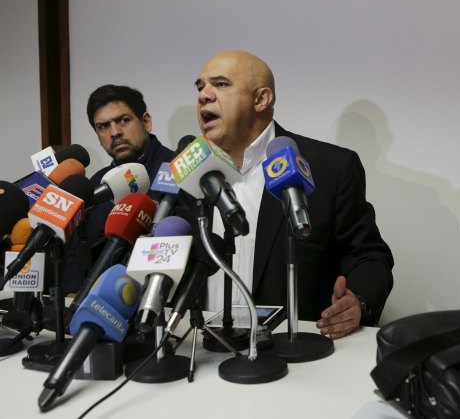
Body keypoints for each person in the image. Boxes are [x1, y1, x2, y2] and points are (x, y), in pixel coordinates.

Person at [195, 50, 394, 339]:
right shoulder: (188, 177)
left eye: (221, 84)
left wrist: (358, 301)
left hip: (293, 357)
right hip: (201, 353)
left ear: (261, 99)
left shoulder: (328, 167)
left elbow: (369, 256)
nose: (204, 95)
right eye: (200, 87)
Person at [63, 85, 174, 293]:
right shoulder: (97, 183)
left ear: (146, 122)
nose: (114, 132)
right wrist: (72, 293)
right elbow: (77, 248)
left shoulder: (176, 169)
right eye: (103, 127)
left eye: (123, 120)